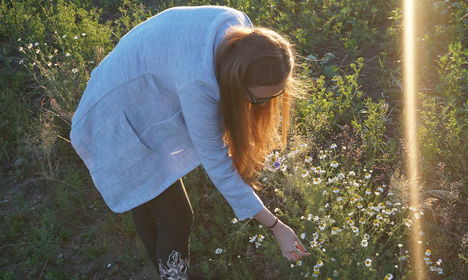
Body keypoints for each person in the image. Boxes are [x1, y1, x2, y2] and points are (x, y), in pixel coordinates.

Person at [69, 5, 311, 280]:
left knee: (150, 195)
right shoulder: (200, 82)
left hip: (134, 94)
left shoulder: (239, 33)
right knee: (176, 215)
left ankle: (167, 274)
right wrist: (276, 226)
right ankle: (173, 277)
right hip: (113, 116)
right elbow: (216, 160)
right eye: (256, 99)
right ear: (235, 82)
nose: (262, 105)